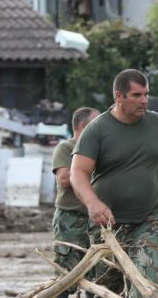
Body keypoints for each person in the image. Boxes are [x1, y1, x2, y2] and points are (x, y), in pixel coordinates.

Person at [69, 69, 158, 297]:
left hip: (149, 221)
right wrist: (92, 203)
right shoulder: (97, 130)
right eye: (137, 95)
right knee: (108, 289)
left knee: (144, 283)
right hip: (109, 226)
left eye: (146, 94)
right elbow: (78, 173)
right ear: (119, 96)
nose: (144, 101)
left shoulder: (157, 123)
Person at [51, 106, 98, 278]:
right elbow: (64, 179)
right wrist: (87, 171)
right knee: (66, 275)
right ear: (83, 126)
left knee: (97, 275)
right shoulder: (66, 147)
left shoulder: (99, 149)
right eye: (96, 123)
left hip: (95, 220)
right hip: (70, 220)